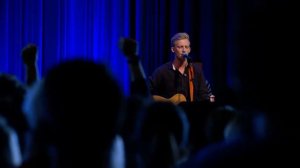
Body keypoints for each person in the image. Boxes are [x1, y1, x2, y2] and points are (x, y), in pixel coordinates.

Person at [149, 32, 210, 105]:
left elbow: (204, 96)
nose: (184, 50)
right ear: (173, 49)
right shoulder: (161, 72)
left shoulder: (196, 71)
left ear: (189, 50)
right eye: (180, 47)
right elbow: (148, 94)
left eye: (186, 47)